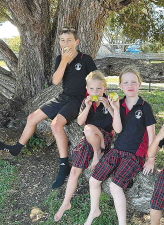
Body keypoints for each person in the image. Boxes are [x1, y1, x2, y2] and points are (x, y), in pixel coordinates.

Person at [0, 27, 97, 189]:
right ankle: (17, 148)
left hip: (78, 100)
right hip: (63, 97)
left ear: (76, 42)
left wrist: (92, 100)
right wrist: (64, 61)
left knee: (55, 125)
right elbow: (56, 81)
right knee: (31, 118)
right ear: (59, 43)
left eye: (69, 40)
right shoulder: (60, 59)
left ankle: (63, 166)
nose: (66, 43)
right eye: (63, 40)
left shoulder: (86, 59)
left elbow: (96, 80)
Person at [84, 65, 156, 225]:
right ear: (120, 86)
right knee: (93, 180)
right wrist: (114, 109)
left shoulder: (145, 107)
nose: (130, 86)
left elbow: (152, 135)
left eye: (133, 82)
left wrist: (151, 158)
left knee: (116, 186)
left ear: (139, 84)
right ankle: (94, 210)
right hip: (117, 151)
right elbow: (117, 129)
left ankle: (122, 223)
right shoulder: (119, 103)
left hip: (134, 155)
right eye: (126, 83)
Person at [54, 70, 114, 221]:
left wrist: (110, 107)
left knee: (89, 129)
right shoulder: (86, 102)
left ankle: (96, 155)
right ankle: (66, 202)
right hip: (88, 138)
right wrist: (87, 107)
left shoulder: (110, 101)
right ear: (87, 90)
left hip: (104, 138)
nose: (95, 92)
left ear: (104, 89)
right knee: (74, 171)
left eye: (99, 89)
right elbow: (80, 122)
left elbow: (117, 124)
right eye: (92, 89)